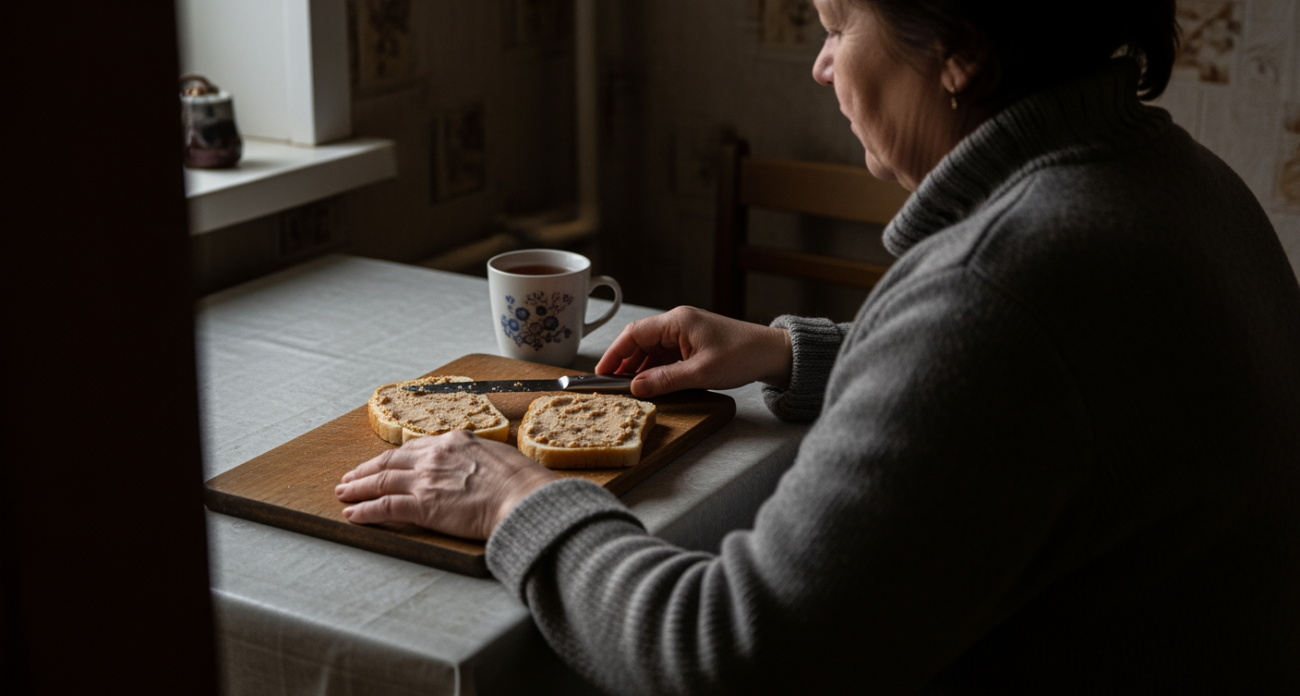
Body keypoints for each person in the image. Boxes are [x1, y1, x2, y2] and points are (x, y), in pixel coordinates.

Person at [334, 0, 1300, 692]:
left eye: (838, 26)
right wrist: (795, 355)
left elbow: (727, 652)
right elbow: (1057, 406)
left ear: (958, 48)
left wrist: (518, 499)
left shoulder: (1001, 289)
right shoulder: (1172, 177)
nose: (821, 62)